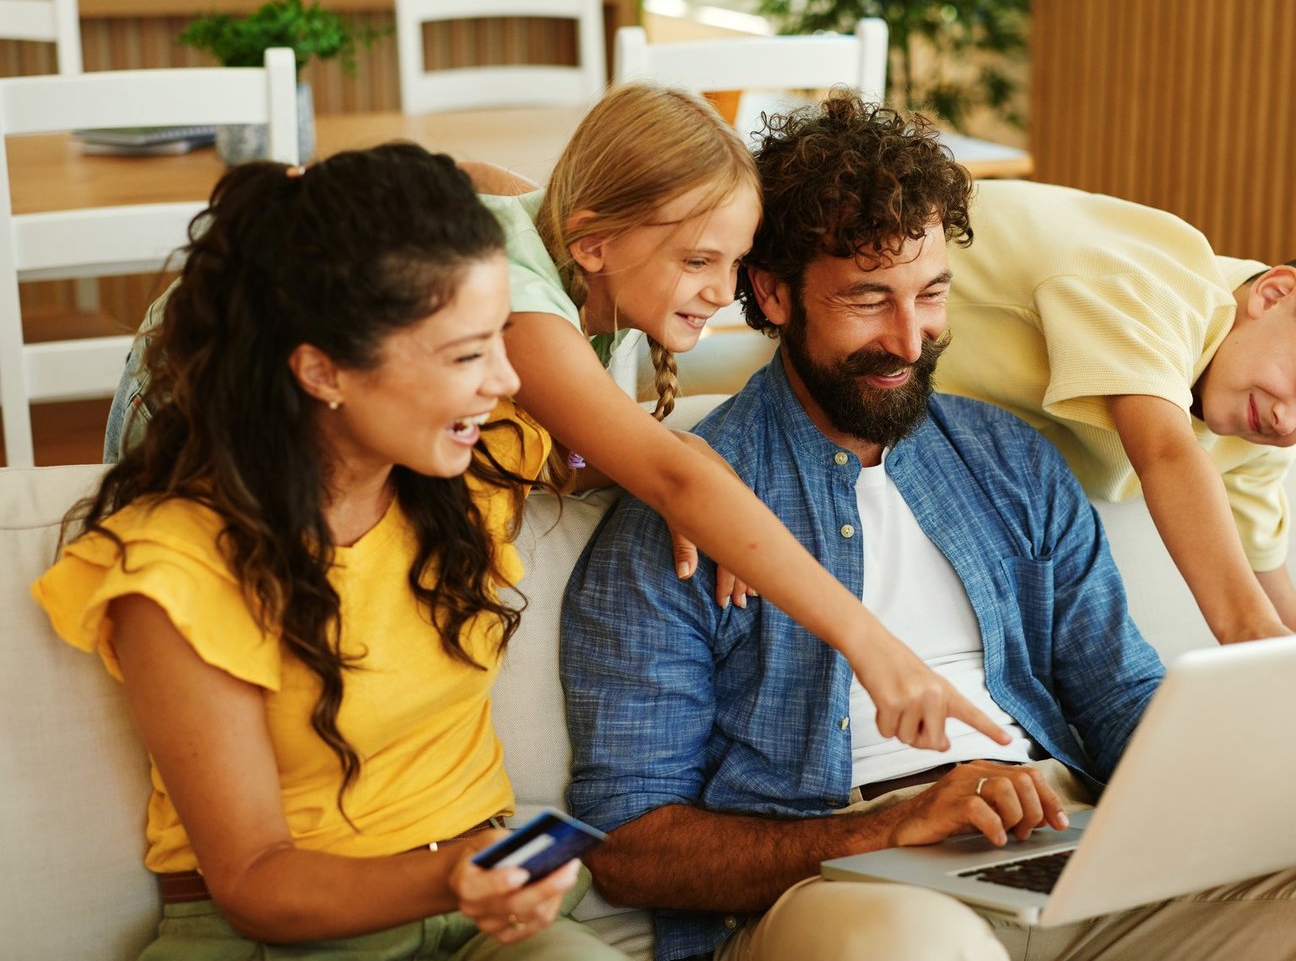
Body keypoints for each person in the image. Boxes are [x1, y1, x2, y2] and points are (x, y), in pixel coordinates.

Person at [558, 98, 1296, 961]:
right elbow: (632, 845)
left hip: (1063, 853)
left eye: (931, 296)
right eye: (868, 299)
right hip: (842, 891)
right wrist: (887, 828)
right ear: (773, 295)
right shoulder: (684, 512)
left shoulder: (1015, 465)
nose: (910, 339)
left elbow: (1118, 700)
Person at [102, 84, 1006, 754]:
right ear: (592, 244)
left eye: (733, 263)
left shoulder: (582, 280)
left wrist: (690, 496)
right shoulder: (528, 307)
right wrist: (872, 647)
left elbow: (608, 453)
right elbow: (670, 469)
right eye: (698, 258)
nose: (725, 294)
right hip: (194, 422)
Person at [34, 145, 625, 959]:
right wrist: (452, 875)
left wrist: (680, 499)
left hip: (480, 922)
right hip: (279, 937)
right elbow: (253, 881)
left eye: (502, 340)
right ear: (323, 369)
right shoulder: (177, 569)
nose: (507, 381)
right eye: (465, 353)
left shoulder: (467, 469)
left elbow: (637, 442)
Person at [933, 176, 1296, 642]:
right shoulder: (1150, 285)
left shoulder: (1260, 428)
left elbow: (1268, 585)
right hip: (873, 331)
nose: (1289, 421)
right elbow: (1166, 454)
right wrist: (1245, 630)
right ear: (1273, 294)